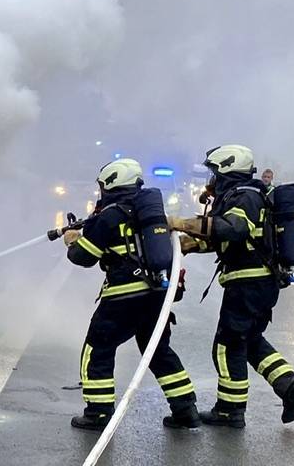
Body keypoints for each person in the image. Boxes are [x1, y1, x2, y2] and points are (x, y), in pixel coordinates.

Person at [169, 145, 294, 428]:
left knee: (227, 346)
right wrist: (189, 244)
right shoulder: (246, 194)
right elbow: (230, 239)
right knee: (249, 341)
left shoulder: (244, 196)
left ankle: (230, 411)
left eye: (215, 172)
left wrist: (182, 223)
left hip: (248, 284)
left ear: (227, 170)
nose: (212, 178)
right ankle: (291, 389)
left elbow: (233, 228)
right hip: (258, 284)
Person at [61, 158, 200, 431]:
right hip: (156, 294)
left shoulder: (111, 214)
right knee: (158, 351)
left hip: (123, 296)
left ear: (111, 183)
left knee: (98, 348)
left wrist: (72, 241)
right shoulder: (149, 213)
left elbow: (84, 257)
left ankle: (98, 413)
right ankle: (186, 410)